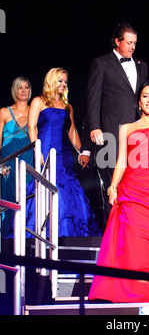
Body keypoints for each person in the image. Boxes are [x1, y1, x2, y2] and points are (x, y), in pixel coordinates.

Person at [88, 80, 149, 303]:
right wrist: (113, 188)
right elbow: (121, 161)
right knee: (131, 242)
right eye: (145, 96)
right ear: (139, 101)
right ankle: (130, 289)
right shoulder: (127, 128)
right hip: (131, 190)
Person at [83, 22, 149, 229]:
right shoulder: (101, 63)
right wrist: (95, 127)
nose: (132, 47)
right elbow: (93, 98)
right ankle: (112, 231)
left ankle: (134, 228)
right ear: (117, 41)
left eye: (135, 43)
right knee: (113, 181)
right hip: (111, 132)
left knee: (136, 181)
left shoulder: (142, 64)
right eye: (128, 42)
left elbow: (143, 95)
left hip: (139, 132)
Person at [27, 68, 100, 237]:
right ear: (51, 81)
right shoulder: (39, 101)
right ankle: (45, 232)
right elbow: (32, 127)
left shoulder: (68, 107)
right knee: (47, 187)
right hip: (45, 150)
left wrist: (82, 152)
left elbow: (72, 130)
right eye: (60, 80)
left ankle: (66, 234)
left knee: (67, 190)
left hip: (64, 155)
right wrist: (37, 151)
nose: (63, 84)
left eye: (65, 81)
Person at [0, 76, 34, 238]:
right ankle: (6, 244)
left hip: (27, 161)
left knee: (26, 200)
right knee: (7, 202)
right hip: (7, 165)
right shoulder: (4, 112)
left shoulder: (35, 112)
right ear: (15, 90)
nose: (23, 91)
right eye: (20, 87)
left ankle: (24, 242)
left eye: (26, 87)